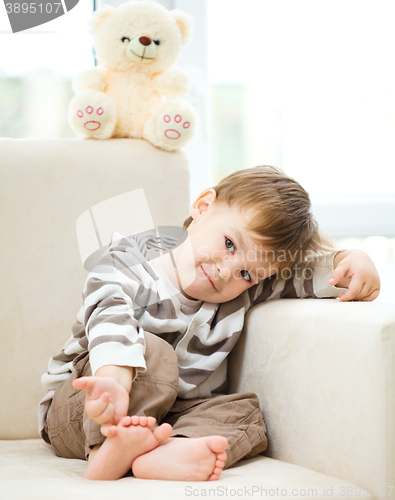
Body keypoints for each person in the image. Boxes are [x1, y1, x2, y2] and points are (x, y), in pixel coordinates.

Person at [39, 166, 380, 482]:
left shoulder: (241, 292)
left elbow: (305, 277)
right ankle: (106, 451)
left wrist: (350, 262)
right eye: (229, 244)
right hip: (88, 404)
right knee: (153, 352)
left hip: (167, 415)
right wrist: (113, 380)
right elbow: (109, 316)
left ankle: (160, 453)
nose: (226, 271)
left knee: (246, 411)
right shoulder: (127, 263)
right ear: (203, 207)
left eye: (247, 273)